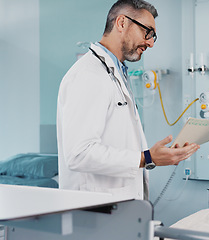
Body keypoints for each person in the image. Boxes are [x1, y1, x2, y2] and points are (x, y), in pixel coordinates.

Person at [57, 0, 199, 200]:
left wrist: (155, 157)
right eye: (147, 32)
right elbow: (79, 154)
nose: (150, 42)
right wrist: (146, 158)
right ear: (122, 23)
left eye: (153, 36)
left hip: (115, 206)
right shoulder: (88, 75)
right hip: (93, 207)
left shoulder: (114, 72)